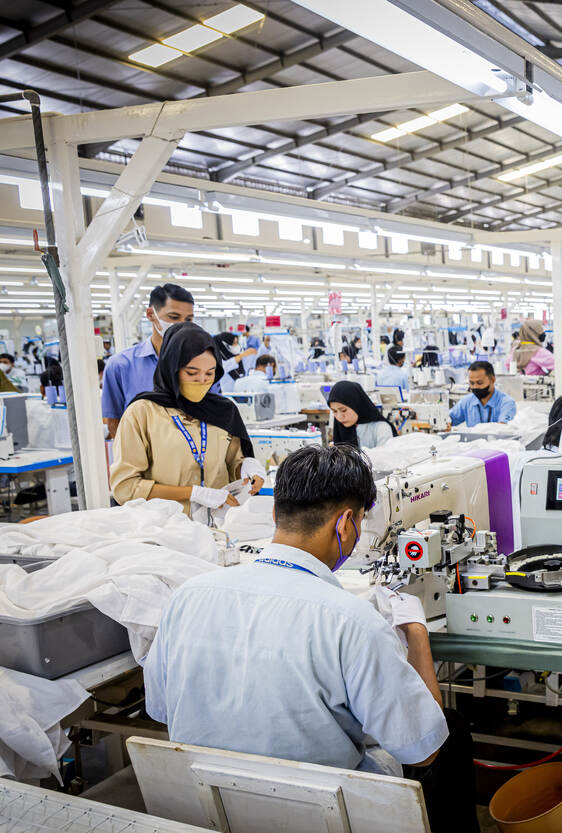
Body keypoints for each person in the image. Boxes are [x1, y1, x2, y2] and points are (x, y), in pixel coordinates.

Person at [143, 444, 479, 833]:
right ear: (346, 524)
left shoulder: (187, 598)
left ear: (274, 512)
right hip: (321, 815)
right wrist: (416, 632)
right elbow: (424, 750)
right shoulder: (354, 622)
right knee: (450, 732)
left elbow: (160, 710)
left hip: (208, 812)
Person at [109, 323, 264, 520]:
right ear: (171, 369)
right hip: (164, 527)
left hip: (219, 526)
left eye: (210, 373)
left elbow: (233, 462)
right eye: (191, 373)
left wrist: (248, 469)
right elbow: (125, 487)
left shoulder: (223, 411)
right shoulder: (142, 414)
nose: (202, 380)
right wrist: (192, 493)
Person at [101, 283, 195, 439]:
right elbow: (114, 421)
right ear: (151, 314)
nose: (182, 325)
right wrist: (131, 452)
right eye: (173, 317)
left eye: (188, 319)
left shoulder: (203, 364)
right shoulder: (121, 365)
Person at [327, 381, 397, 450]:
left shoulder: (381, 428)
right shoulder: (341, 427)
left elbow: (385, 455)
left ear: (357, 405)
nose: (339, 417)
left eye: (343, 410)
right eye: (334, 411)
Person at [450, 361, 516, 427]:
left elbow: (503, 428)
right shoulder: (467, 402)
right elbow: (449, 420)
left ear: (492, 380)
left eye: (480, 383)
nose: (475, 387)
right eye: (472, 383)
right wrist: (447, 424)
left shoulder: (506, 403)